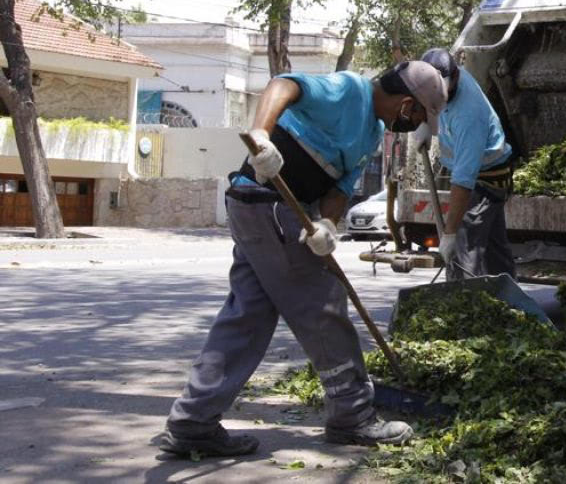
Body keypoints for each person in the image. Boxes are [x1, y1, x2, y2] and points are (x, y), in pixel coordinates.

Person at [160, 61, 447, 457]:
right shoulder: (349, 90)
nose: (415, 124)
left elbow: (340, 186)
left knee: (247, 317)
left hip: (265, 211)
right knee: (324, 307)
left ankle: (193, 421)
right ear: (406, 103)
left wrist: (327, 224)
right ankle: (352, 414)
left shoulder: (372, 132)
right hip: (270, 204)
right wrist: (262, 135)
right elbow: (284, 85)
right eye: (419, 114)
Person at [413, 47, 516, 280]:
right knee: (494, 248)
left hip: (487, 177)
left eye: (441, 89)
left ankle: (462, 305)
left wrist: (449, 235)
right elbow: (426, 98)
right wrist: (427, 123)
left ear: (455, 76)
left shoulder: (469, 114)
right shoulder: (438, 82)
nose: (437, 94)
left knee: (463, 240)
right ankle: (511, 301)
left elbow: (463, 181)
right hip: (478, 171)